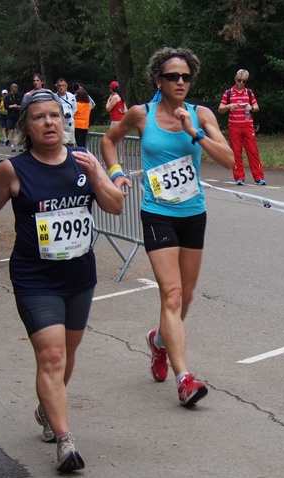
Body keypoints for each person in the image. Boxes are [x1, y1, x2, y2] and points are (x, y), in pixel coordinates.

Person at [0, 89, 124, 471]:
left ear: (65, 121)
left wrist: (96, 175)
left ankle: (46, 407)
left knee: (66, 356)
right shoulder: (13, 170)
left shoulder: (82, 162)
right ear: (27, 125)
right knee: (52, 355)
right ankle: (65, 441)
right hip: (34, 278)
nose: (49, 122)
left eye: (55, 115)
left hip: (79, 275)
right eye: (39, 117)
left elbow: (116, 206)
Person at [100, 47, 234, 407]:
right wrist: (115, 175)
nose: (180, 82)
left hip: (193, 213)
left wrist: (195, 133)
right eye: (172, 76)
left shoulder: (201, 115)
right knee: (172, 294)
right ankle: (184, 379)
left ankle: (159, 343)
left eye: (186, 76)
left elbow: (231, 161)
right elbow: (108, 141)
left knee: (186, 297)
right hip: (157, 212)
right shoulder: (140, 114)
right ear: (157, 79)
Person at [218, 69, 265, 185]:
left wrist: (251, 108)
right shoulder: (228, 93)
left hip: (248, 126)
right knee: (236, 152)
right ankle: (239, 177)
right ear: (235, 79)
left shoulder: (249, 92)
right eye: (239, 80)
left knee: (253, 152)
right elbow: (220, 109)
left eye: (244, 81)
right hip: (234, 126)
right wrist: (229, 106)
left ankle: (259, 177)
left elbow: (256, 106)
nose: (241, 83)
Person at [54, 79, 77, 146]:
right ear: (57, 87)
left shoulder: (71, 96)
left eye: (63, 85)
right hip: (59, 122)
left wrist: (70, 115)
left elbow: (74, 108)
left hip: (69, 122)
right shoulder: (54, 97)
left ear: (66, 86)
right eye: (59, 85)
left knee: (71, 142)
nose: (61, 87)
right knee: (60, 142)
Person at [5, 84, 22, 152]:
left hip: (18, 115)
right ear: (11, 90)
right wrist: (12, 106)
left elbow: (22, 104)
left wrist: (18, 107)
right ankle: (12, 145)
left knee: (19, 130)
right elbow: (6, 106)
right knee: (11, 131)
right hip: (11, 115)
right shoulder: (7, 97)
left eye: (16, 90)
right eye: (14, 91)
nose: (15, 92)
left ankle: (20, 144)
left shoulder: (20, 96)